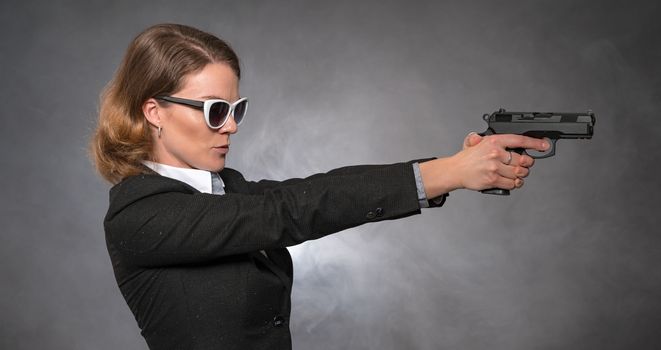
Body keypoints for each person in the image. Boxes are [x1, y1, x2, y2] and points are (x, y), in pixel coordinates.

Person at [90, 23, 547, 350]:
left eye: (237, 109)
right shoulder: (139, 216)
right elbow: (289, 213)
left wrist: (452, 165)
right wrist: (447, 173)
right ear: (154, 112)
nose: (230, 127)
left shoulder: (226, 189)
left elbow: (320, 189)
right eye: (214, 111)